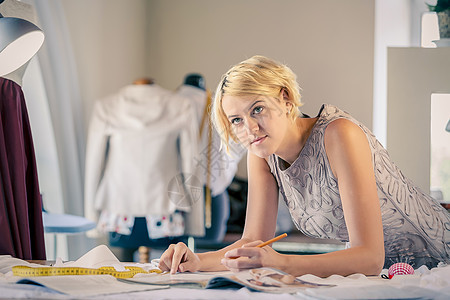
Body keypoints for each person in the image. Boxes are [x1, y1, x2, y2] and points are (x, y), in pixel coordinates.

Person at [158, 55, 450, 277]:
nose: (250, 128)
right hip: (392, 276)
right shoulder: (261, 153)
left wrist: (282, 262)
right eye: (237, 120)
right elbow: (252, 242)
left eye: (257, 109)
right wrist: (198, 261)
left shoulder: (339, 134)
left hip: (440, 264)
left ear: (285, 98)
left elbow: (369, 256)